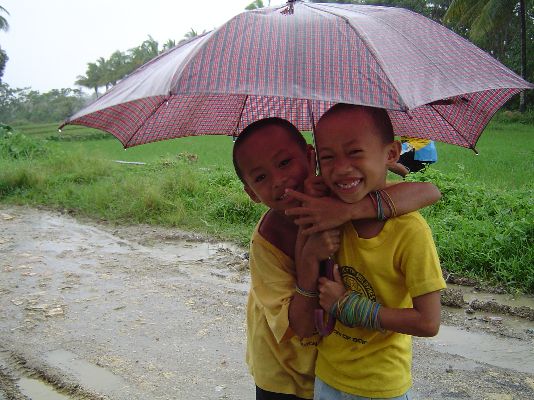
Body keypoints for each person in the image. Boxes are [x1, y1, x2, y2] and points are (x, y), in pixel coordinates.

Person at [232, 117, 442, 400]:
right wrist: (307, 258)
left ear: (310, 157)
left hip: (333, 367)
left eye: (284, 163)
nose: (279, 180)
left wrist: (347, 212)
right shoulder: (266, 242)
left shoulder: (343, 195)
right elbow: (302, 327)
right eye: (260, 178)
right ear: (251, 193)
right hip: (284, 370)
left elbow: (429, 191)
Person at [305, 104, 446, 400]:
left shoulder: (410, 232)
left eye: (355, 153)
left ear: (392, 154)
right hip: (327, 376)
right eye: (327, 157)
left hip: (380, 386)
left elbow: (428, 321)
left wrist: (349, 307)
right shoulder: (327, 214)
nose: (341, 168)